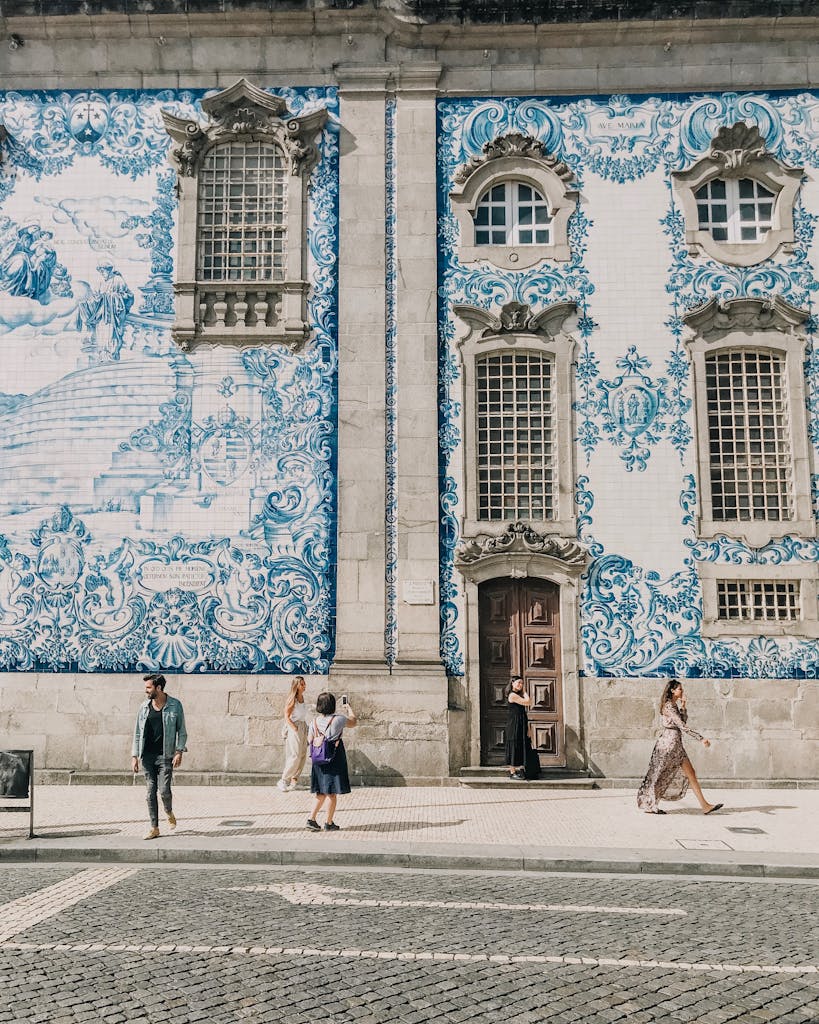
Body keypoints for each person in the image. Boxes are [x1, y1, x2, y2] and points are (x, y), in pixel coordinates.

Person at [637, 678, 723, 816]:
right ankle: (650, 805)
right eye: (680, 689)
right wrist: (701, 738)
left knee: (691, 773)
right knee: (659, 775)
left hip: (677, 746)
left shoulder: (674, 705)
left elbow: (682, 720)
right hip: (668, 746)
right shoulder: (668, 706)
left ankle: (705, 806)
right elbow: (682, 726)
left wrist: (683, 705)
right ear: (672, 690)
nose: (682, 691)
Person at [131, 673, 188, 840]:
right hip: (147, 756)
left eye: (148, 687)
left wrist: (179, 752)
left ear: (159, 688)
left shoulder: (175, 706)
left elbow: (182, 732)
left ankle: (168, 811)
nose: (146, 691)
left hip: (165, 756)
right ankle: (154, 827)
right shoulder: (143, 707)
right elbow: (137, 733)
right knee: (150, 793)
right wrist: (134, 755)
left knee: (164, 791)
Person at [306, 692, 356, 832]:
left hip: (318, 760)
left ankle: (311, 819)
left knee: (320, 792)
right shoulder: (338, 720)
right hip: (333, 757)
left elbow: (310, 741)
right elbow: (353, 721)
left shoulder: (313, 722)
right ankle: (328, 823)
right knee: (331, 793)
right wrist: (348, 708)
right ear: (332, 705)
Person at [277, 675, 311, 792]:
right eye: (302, 684)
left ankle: (294, 781)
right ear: (296, 686)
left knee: (302, 755)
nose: (304, 686)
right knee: (295, 755)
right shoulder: (293, 699)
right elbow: (286, 716)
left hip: (302, 726)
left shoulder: (302, 698)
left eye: (304, 683)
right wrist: (294, 728)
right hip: (295, 727)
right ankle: (283, 780)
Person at [504, 675, 531, 780]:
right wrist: (524, 691)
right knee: (513, 746)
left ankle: (521, 769)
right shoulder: (512, 695)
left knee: (520, 745)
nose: (520, 685)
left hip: (521, 723)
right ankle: (512, 772)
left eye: (522, 683)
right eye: (519, 683)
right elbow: (528, 702)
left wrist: (528, 728)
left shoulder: (517, 695)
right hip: (514, 724)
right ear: (512, 683)